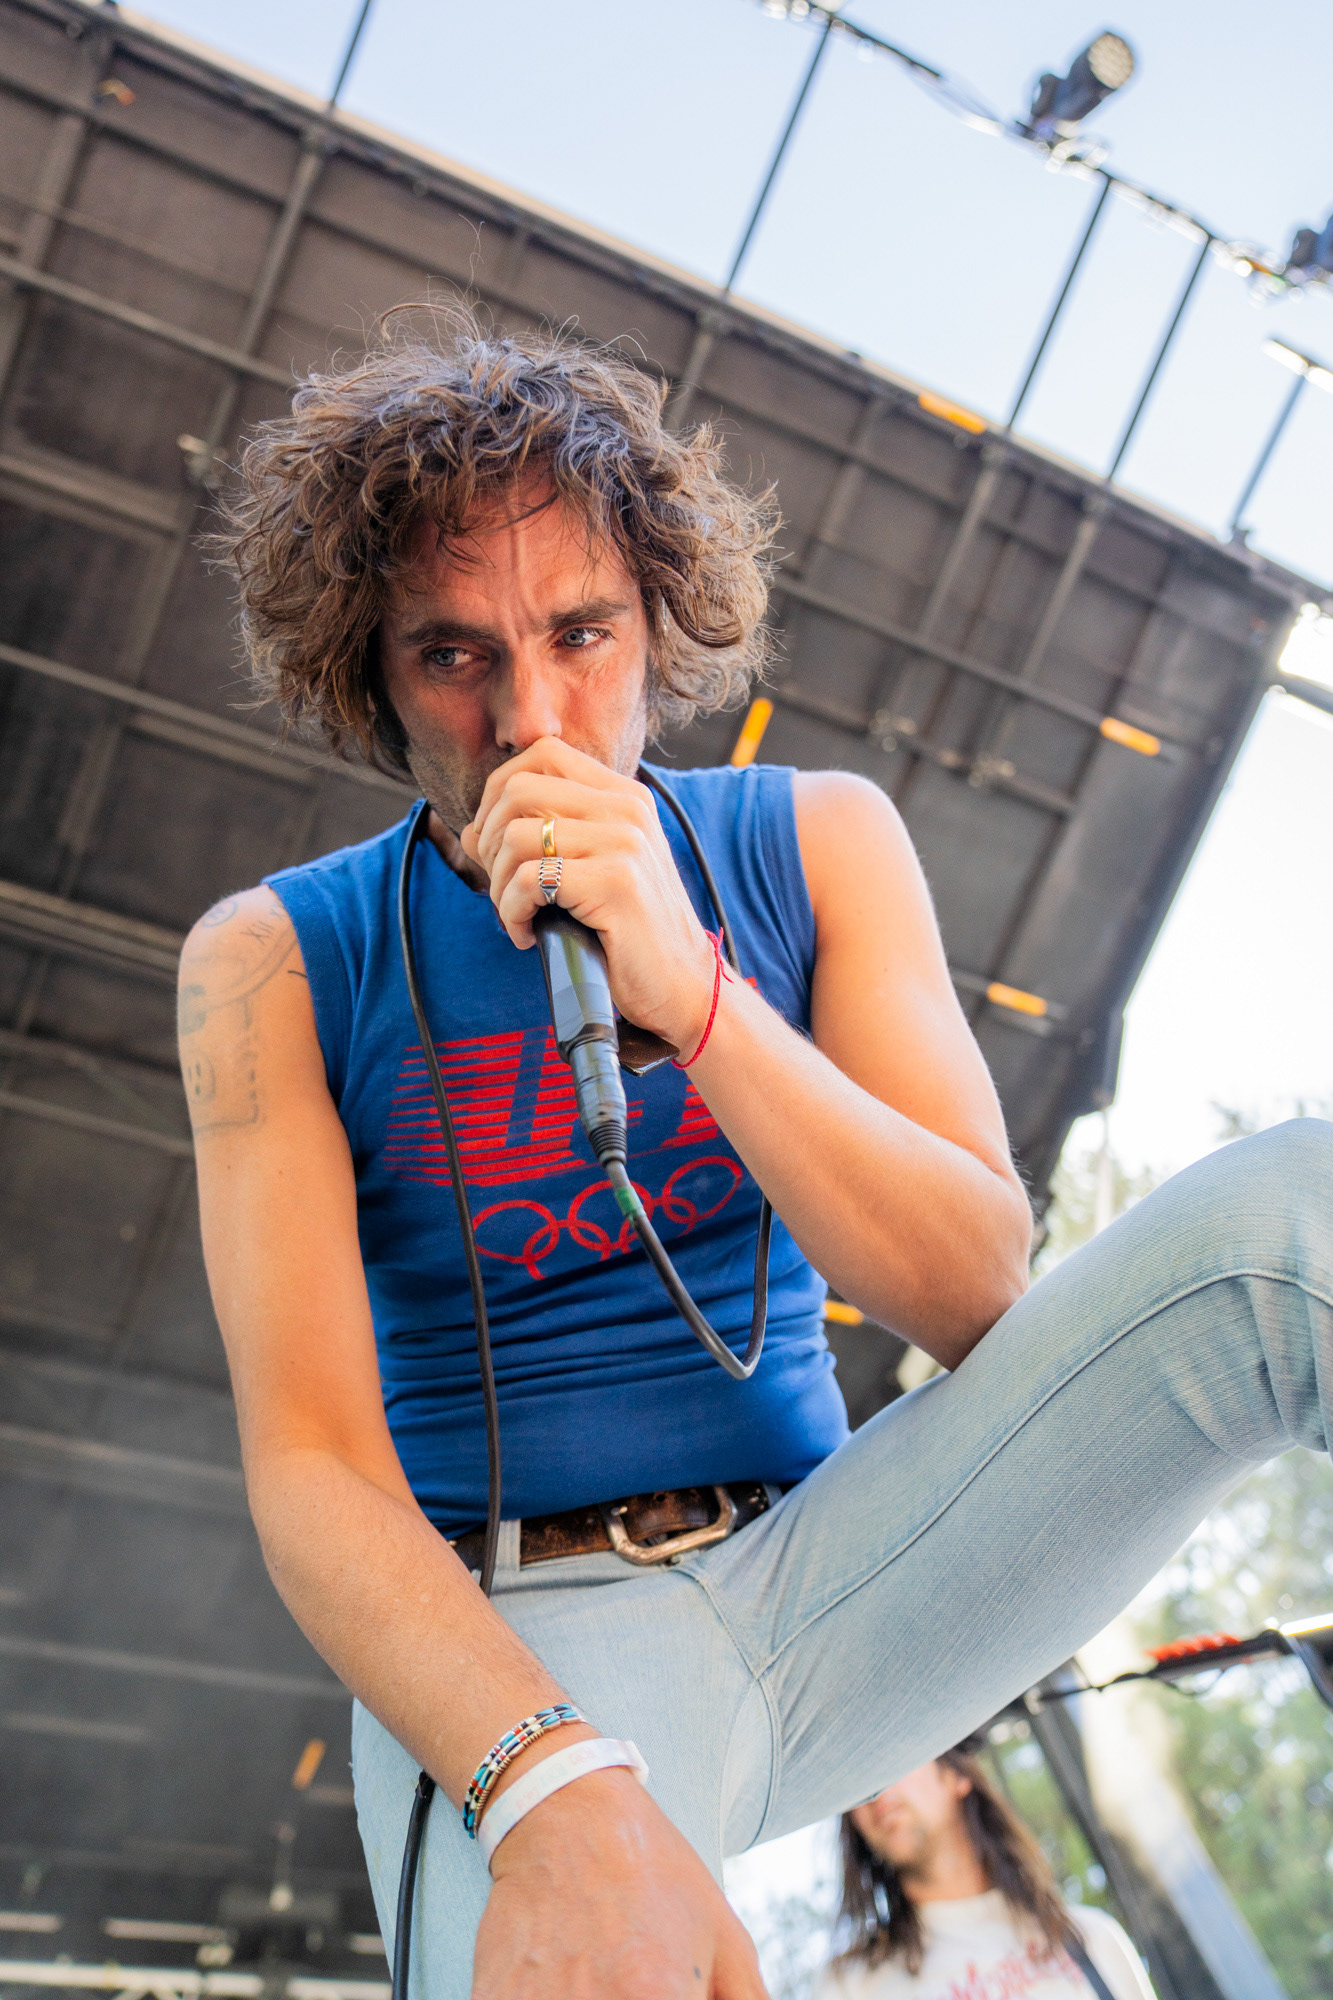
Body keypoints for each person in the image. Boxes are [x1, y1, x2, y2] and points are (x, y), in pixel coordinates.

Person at [180, 308, 1333, 2000]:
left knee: (1295, 1217)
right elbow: (311, 1470)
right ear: (372, 680)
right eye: (452, 656)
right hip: (525, 1637)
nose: (531, 716)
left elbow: (973, 1291)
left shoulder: (817, 838)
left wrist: (699, 998)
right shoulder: (271, 959)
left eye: (581, 633)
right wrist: (551, 1787)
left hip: (848, 1562)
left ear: (660, 624)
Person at [817, 1745, 1153, 2000]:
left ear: (956, 1774)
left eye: (892, 1760)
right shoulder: (851, 1985)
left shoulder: (1092, 1939)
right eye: (854, 1780)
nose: (874, 1791)